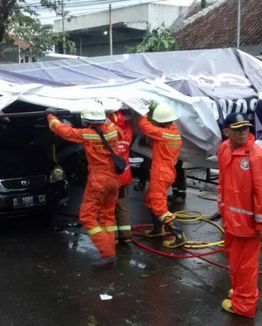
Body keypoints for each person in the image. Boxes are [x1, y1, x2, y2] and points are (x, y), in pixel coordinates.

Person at [47, 100, 121, 268]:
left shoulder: (87, 134)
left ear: (86, 120)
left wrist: (51, 116)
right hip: (113, 179)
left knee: (87, 217)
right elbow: (118, 130)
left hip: (99, 180)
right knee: (107, 215)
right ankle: (111, 251)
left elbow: (63, 131)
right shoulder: (113, 129)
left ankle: (108, 254)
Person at [218, 113, 262, 318]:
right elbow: (224, 182)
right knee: (235, 261)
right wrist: (222, 208)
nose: (243, 132)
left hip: (248, 226)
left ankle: (244, 306)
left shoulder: (256, 157)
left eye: (246, 128)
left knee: (245, 267)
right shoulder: (224, 149)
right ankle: (241, 293)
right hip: (231, 222)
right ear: (226, 132)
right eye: (238, 128)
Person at [137, 102, 186, 248]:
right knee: (150, 199)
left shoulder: (163, 134)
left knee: (158, 206)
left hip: (161, 173)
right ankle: (158, 229)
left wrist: (147, 113)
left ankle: (179, 234)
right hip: (167, 172)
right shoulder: (174, 132)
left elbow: (144, 126)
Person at [108, 111, 134, 244]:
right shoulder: (128, 135)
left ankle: (114, 237)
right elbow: (130, 124)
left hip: (112, 177)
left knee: (110, 206)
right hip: (125, 177)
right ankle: (126, 236)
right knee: (122, 205)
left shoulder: (108, 137)